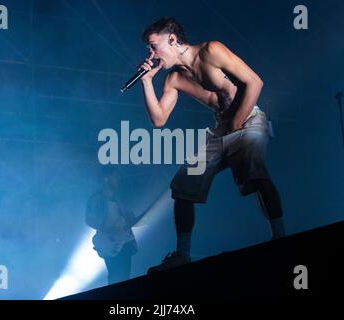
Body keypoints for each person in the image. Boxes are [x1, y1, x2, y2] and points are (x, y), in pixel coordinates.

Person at [138, 18, 286, 273]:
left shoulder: (211, 51)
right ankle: (182, 255)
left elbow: (254, 82)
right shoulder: (173, 79)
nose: (151, 55)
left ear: (172, 39)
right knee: (183, 185)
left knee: (254, 170)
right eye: (149, 50)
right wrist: (146, 82)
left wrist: (237, 122)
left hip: (248, 118)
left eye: (153, 46)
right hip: (220, 130)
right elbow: (159, 119)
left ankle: (281, 237)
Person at [85, 166, 138, 284]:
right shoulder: (96, 199)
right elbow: (89, 220)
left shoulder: (119, 199)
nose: (118, 179)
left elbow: (128, 219)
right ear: (106, 178)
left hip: (124, 242)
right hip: (110, 242)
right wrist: (108, 230)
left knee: (124, 277)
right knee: (116, 277)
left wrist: (132, 218)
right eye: (115, 176)